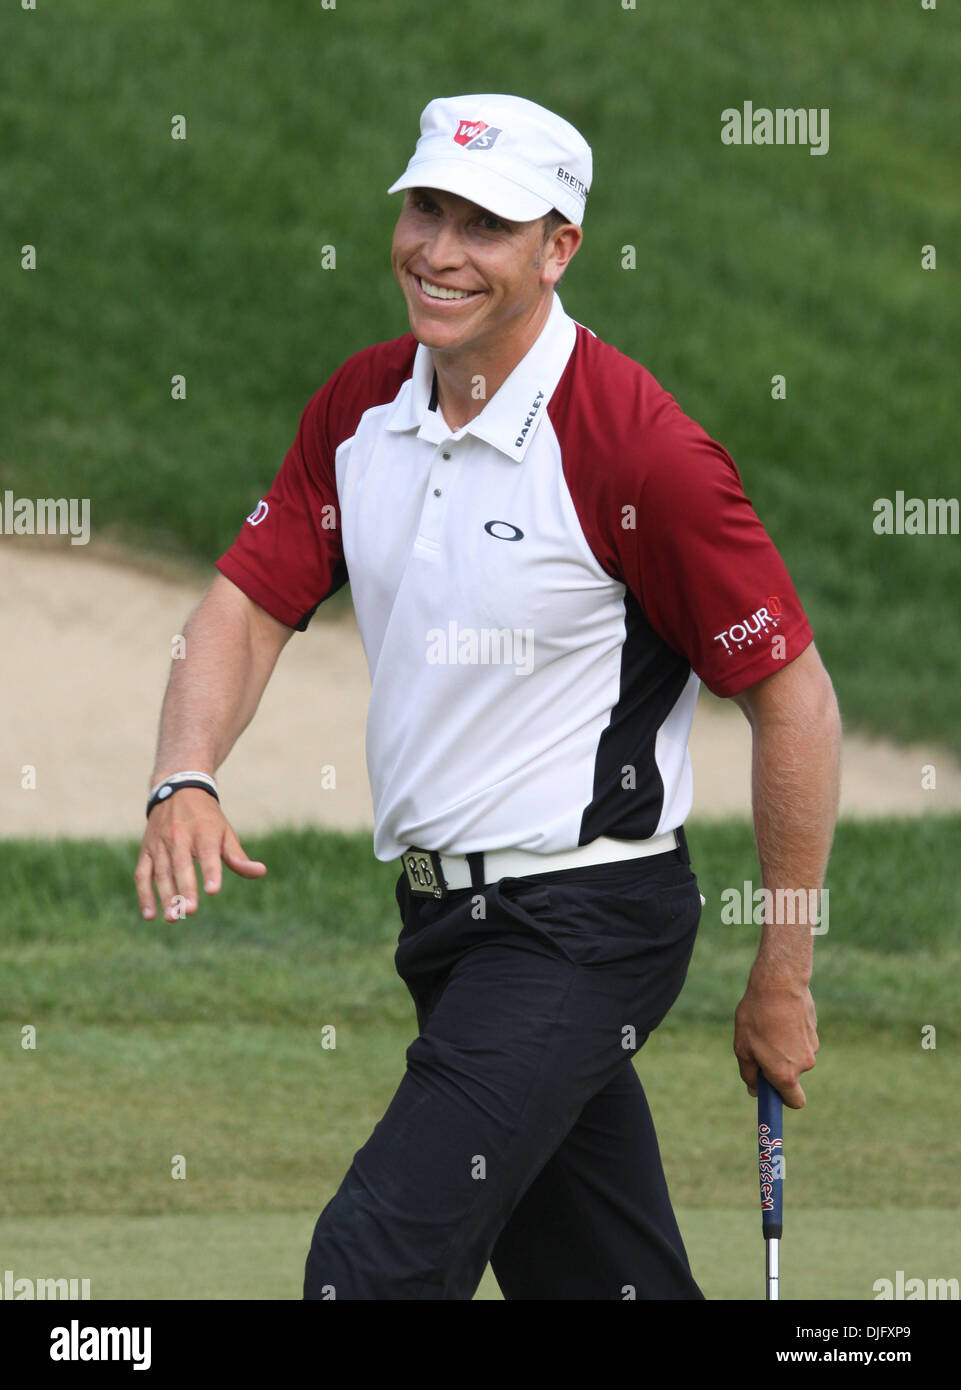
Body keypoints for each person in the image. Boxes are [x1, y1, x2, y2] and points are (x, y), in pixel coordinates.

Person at [135, 94, 841, 1300]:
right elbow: (245, 609)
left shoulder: (637, 450)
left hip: (584, 921)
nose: (440, 251)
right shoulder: (364, 406)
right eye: (425, 209)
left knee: (369, 1268)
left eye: (488, 225)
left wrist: (782, 972)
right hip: (445, 932)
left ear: (559, 246)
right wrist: (185, 773)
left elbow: (795, 702)